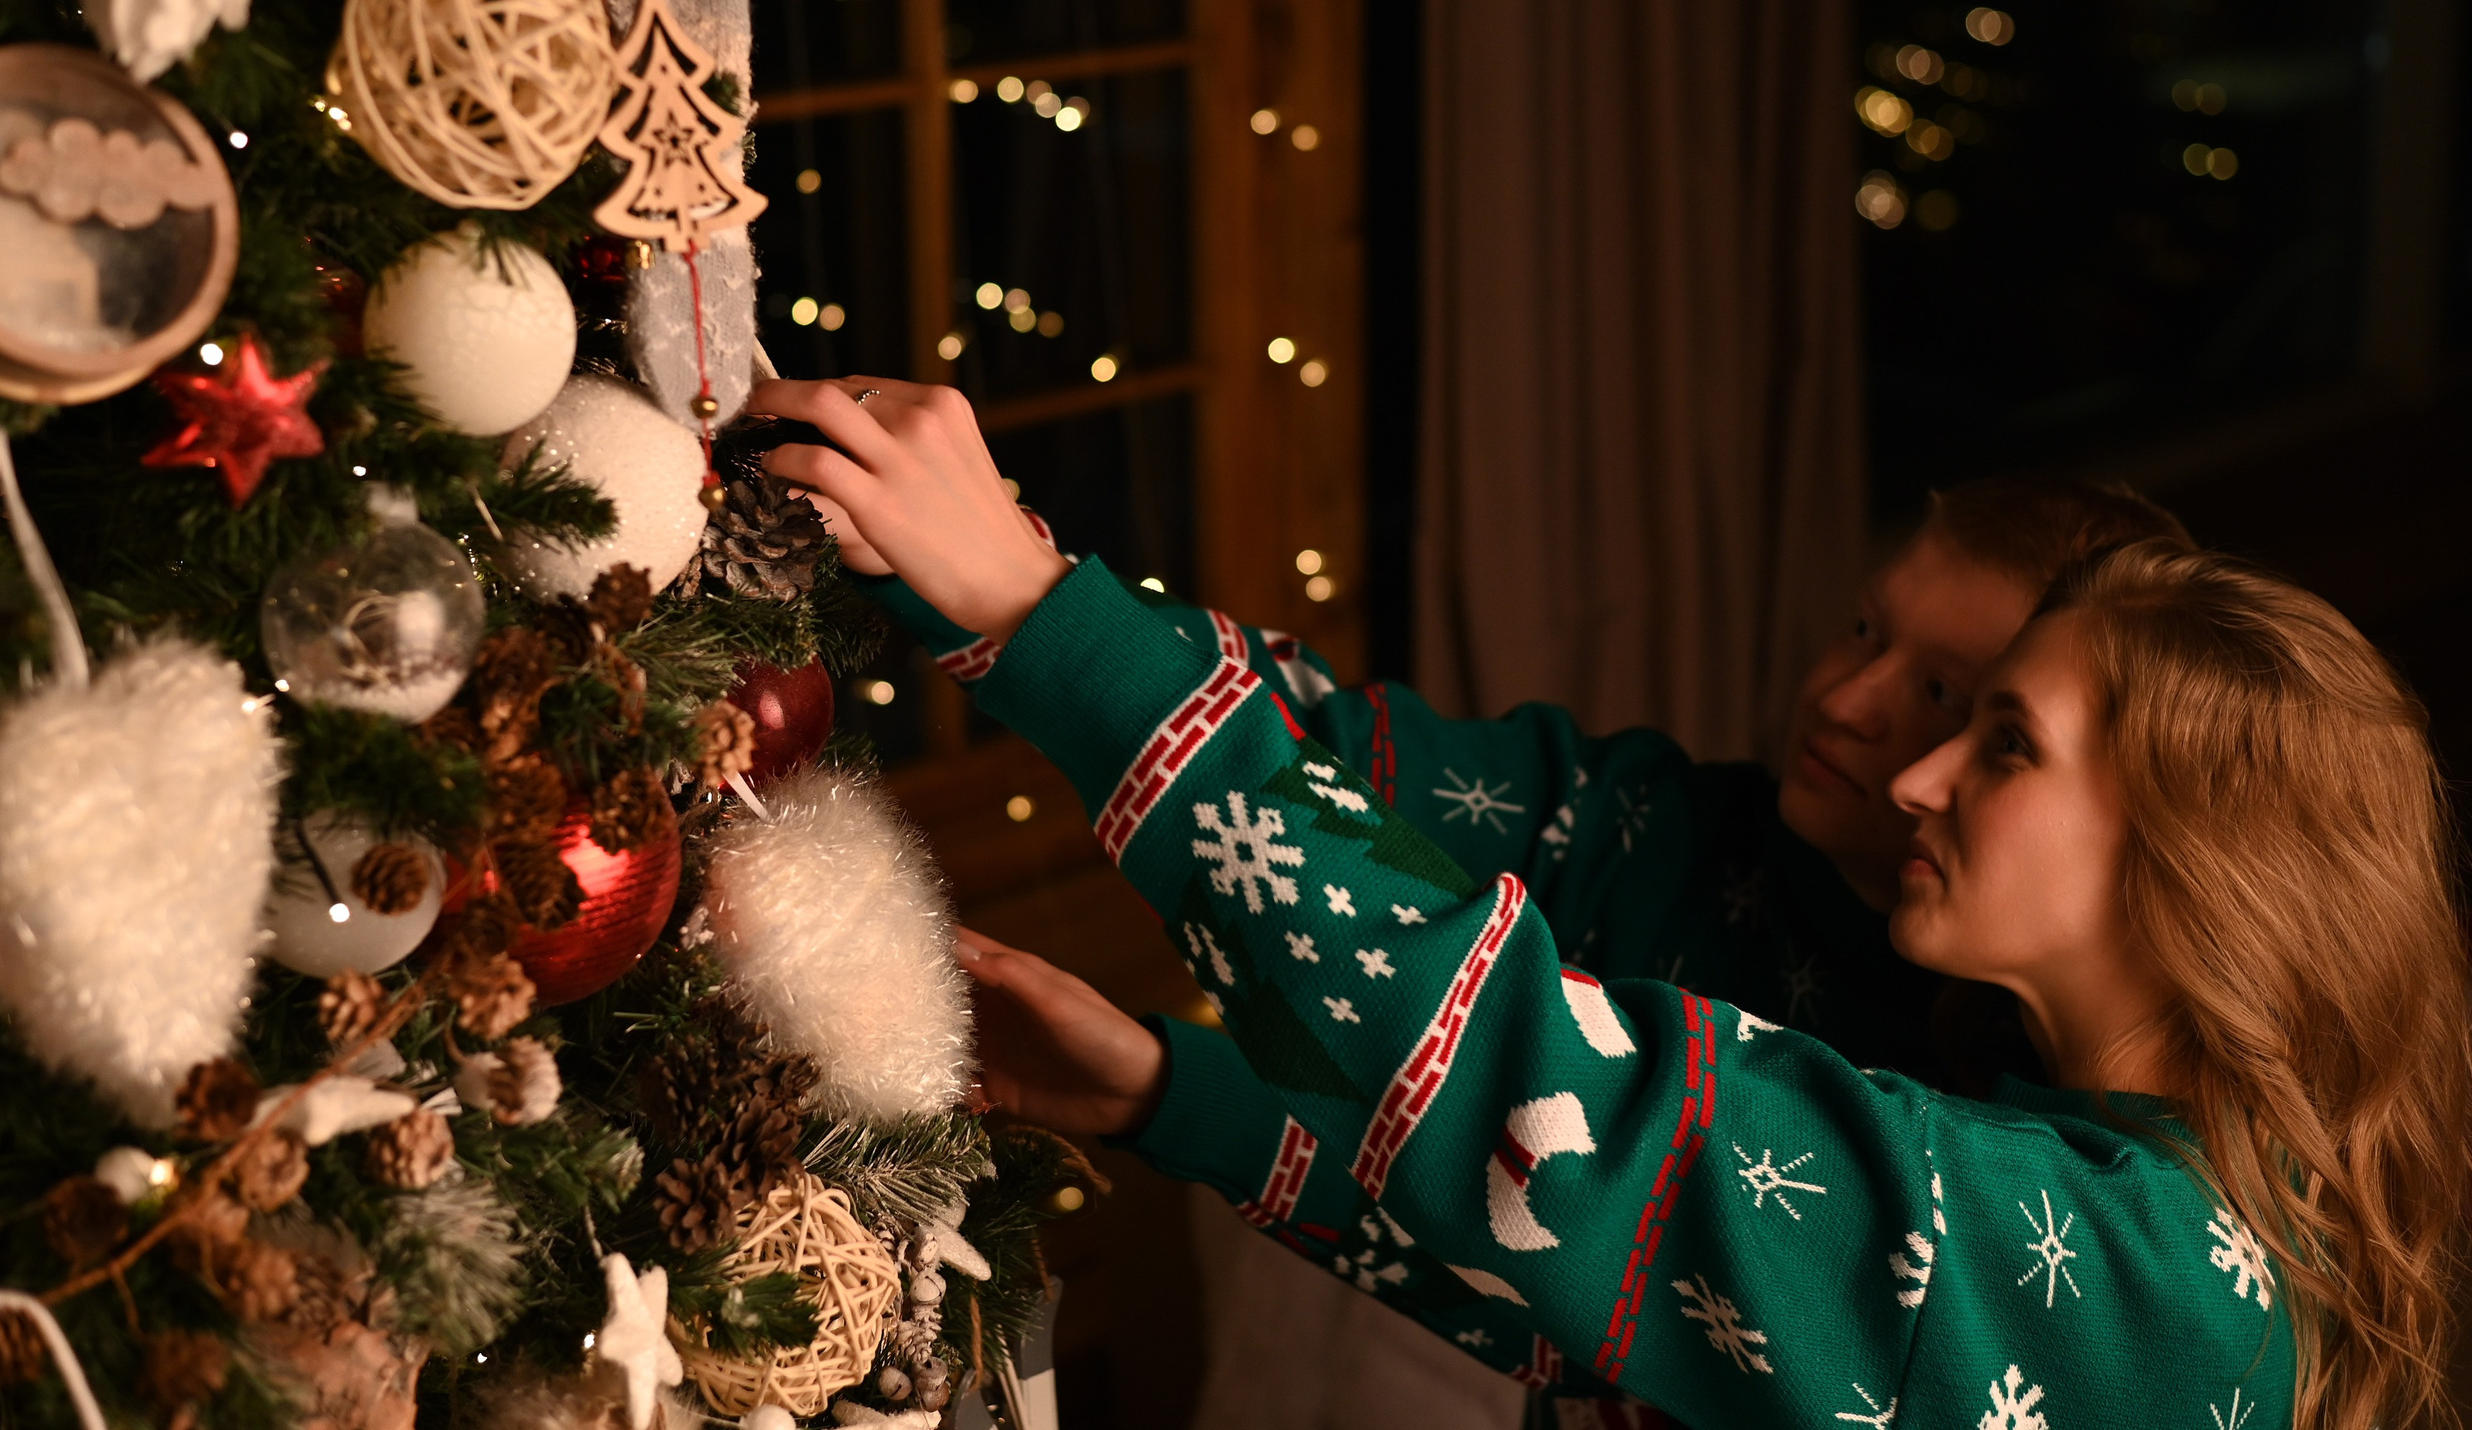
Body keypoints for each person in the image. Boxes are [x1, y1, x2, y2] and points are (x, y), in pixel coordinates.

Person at [753, 375, 2472, 1430]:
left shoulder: (2151, 1275)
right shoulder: (2069, 1153)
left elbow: (1564, 1109)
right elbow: (1599, 1289)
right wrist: (1169, 1091)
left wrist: (1049, 616)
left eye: (1999, 737)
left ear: (2189, 869)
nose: (1920, 771)